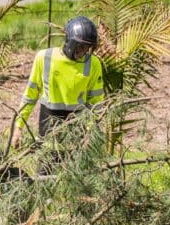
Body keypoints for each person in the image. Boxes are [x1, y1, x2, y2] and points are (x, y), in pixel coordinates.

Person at [12, 16, 105, 146]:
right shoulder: (44, 58)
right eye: (81, 46)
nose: (84, 52)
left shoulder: (93, 64)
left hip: (77, 131)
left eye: (87, 48)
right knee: (46, 165)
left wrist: (91, 130)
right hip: (48, 128)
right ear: (69, 41)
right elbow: (30, 96)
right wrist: (18, 127)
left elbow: (96, 103)